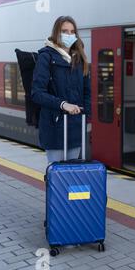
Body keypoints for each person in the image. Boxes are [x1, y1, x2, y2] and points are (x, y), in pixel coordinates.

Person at [31, 16, 91, 164]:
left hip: (76, 127)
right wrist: (63, 105)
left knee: (72, 177)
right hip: (54, 128)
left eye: (72, 32)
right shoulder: (46, 57)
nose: (69, 35)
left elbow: (87, 92)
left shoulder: (80, 59)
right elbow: (37, 93)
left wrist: (86, 112)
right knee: (57, 177)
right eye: (64, 31)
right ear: (56, 33)